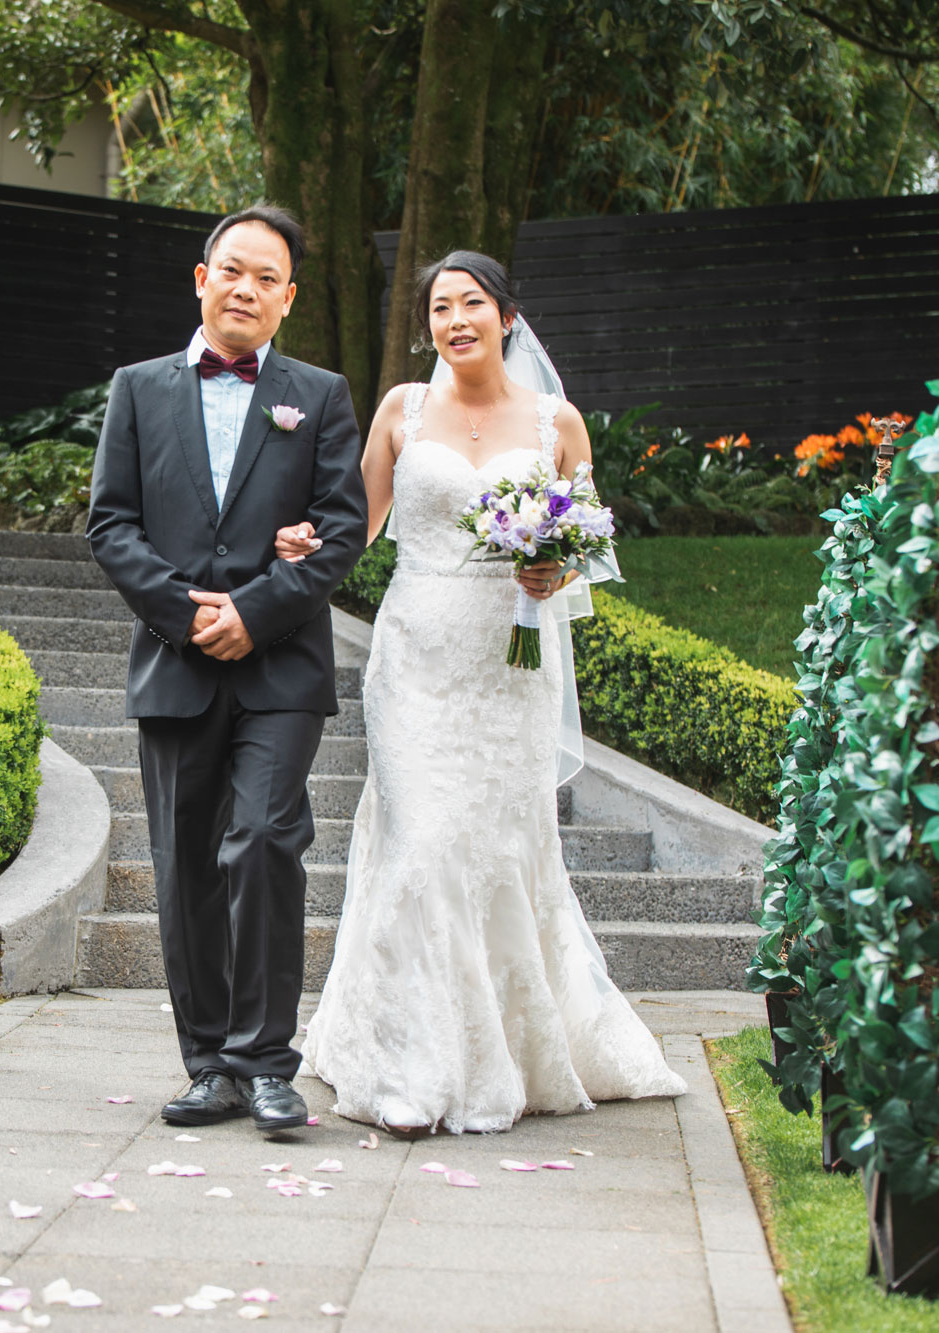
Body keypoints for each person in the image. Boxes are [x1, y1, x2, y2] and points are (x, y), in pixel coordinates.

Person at [282, 252, 684, 1135]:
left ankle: (501, 1043)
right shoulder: (401, 409)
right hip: (414, 658)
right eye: (439, 306)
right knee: (419, 843)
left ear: (507, 317)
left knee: (496, 853)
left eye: (471, 303)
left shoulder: (555, 422)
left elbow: (589, 543)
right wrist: (307, 541)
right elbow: (361, 520)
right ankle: (410, 1066)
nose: (454, 318)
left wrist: (553, 571)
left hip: (509, 670)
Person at [86, 204, 368, 1135]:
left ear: (287, 301)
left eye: (267, 279)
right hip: (175, 666)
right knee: (185, 866)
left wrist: (256, 611)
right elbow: (111, 524)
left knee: (264, 842)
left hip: (280, 670)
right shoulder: (136, 388)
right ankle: (207, 1061)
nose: (245, 288)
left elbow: (341, 528)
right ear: (201, 278)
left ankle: (265, 1060)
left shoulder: (319, 395)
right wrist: (185, 612)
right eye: (232, 270)